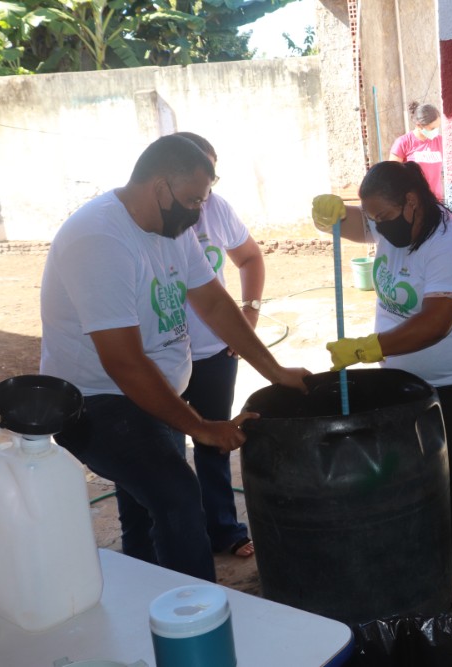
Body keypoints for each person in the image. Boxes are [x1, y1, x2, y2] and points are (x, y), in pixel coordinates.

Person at [40, 135, 310, 582]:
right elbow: (123, 362)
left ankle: (146, 590)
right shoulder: (100, 240)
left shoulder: (172, 228)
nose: (198, 211)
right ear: (160, 187)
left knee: (146, 498)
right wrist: (201, 428)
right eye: (192, 199)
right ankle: (198, 616)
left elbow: (215, 304)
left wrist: (274, 370)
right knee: (177, 494)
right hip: (96, 401)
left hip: (152, 393)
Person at [311, 161, 452, 605]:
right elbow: (358, 225)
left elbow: (435, 323)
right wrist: (332, 216)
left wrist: (366, 348)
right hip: (398, 378)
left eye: (382, 216)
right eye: (372, 217)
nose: (376, 226)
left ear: (411, 203)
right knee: (402, 470)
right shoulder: (391, 225)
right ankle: (408, 549)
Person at [170, 131, 265, 559]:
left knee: (215, 438)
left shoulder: (215, 210)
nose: (205, 192)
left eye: (212, 179)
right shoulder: (150, 219)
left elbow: (249, 258)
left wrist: (249, 313)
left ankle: (223, 528)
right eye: (199, 180)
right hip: (162, 360)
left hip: (214, 352)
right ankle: (172, 535)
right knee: (164, 450)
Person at [389, 102, 444, 201]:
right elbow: (392, 176)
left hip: (436, 201)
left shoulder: (440, 141)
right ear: (419, 125)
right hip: (413, 203)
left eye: (438, 127)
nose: (436, 131)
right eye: (432, 128)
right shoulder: (403, 143)